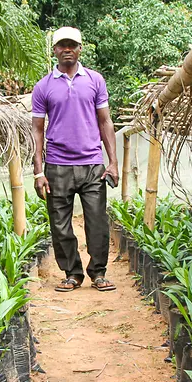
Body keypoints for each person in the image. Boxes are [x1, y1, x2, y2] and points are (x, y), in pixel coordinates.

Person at [31, 27, 119, 293]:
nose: (67, 49)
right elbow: (37, 129)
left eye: (72, 45)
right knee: (59, 224)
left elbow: (105, 121)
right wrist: (38, 171)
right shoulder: (43, 86)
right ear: (55, 50)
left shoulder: (95, 80)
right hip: (57, 165)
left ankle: (98, 272)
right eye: (62, 45)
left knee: (97, 220)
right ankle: (72, 273)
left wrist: (112, 162)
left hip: (92, 164)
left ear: (80, 48)